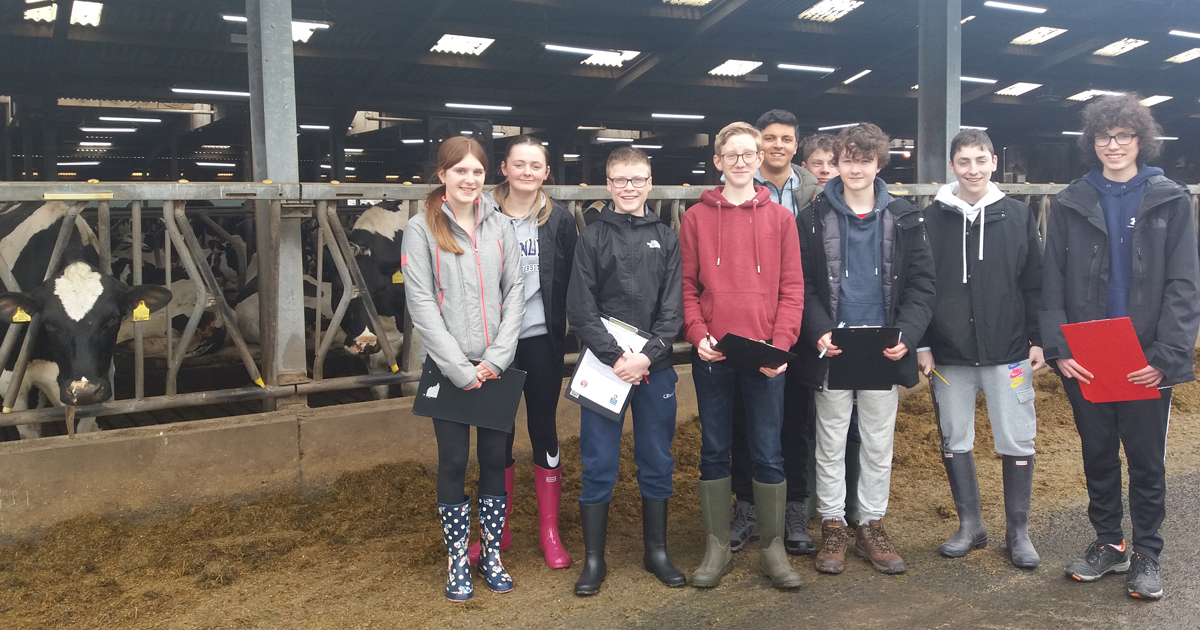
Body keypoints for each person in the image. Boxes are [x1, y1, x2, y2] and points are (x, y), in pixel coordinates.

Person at [1041, 93, 1199, 601]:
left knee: (1147, 460)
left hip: (1146, 357)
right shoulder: (1072, 200)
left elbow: (1184, 282)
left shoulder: (1169, 198)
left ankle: (1148, 553)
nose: (1113, 145)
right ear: (1092, 142)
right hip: (1087, 354)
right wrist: (1059, 347)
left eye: (1123, 136)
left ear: (1140, 140)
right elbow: (1051, 278)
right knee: (1098, 454)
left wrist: (1166, 357)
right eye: (1103, 136)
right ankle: (1110, 543)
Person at [795, 123, 934, 576]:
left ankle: (871, 524)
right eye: (848, 160)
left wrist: (906, 335)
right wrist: (818, 329)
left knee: (877, 441)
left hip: (883, 344)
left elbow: (922, 284)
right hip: (834, 344)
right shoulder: (812, 217)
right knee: (831, 439)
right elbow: (802, 283)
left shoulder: (906, 217)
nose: (855, 169)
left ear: (879, 163)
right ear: (836, 163)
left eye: (865, 160)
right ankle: (833, 523)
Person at [401, 136, 525, 602]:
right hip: (448, 367)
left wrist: (497, 358)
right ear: (442, 175)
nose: (469, 180)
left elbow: (516, 291)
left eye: (477, 172)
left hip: (495, 366)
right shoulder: (420, 228)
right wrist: (458, 367)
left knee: (494, 459)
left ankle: (491, 553)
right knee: (453, 460)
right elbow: (420, 302)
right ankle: (457, 557)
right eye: (460, 171)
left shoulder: (501, 225)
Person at [683, 121, 805, 590]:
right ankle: (716, 547)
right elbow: (687, 287)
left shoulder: (781, 219)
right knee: (714, 447)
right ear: (717, 161)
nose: (740, 162)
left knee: (768, 450)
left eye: (747, 154)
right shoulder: (696, 218)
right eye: (730, 155)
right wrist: (697, 334)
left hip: (764, 353)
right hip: (714, 352)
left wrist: (782, 344)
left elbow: (792, 289)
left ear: (759, 159)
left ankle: (772, 549)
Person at [916, 129, 1044, 569]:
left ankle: (1018, 531)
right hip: (949, 352)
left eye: (980, 160)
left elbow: (1034, 282)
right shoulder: (930, 220)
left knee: (1016, 436)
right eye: (964, 161)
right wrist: (923, 343)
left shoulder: (1018, 216)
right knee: (955, 436)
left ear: (993, 163)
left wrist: (1039, 339)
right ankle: (970, 525)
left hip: (1009, 350)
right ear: (951, 165)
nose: (973, 169)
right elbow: (920, 287)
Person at [567, 146, 685, 596]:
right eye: (620, 180)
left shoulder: (667, 238)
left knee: (657, 457)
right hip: (605, 368)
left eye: (637, 179)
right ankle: (594, 560)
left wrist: (647, 356)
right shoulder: (592, 238)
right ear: (608, 185)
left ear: (650, 183)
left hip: (655, 368)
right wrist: (615, 356)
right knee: (598, 461)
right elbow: (581, 308)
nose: (629, 187)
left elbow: (673, 310)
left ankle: (656, 552)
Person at [465, 136, 577, 570]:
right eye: (519, 164)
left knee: (544, 429)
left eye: (536, 166)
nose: (527, 172)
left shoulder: (559, 220)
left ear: (546, 172)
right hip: (496, 345)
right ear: (505, 169)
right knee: (499, 433)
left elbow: (570, 280)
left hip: (541, 340)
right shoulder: (481, 214)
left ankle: (550, 532)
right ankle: (498, 530)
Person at [727, 110, 820, 556]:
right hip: (754, 325)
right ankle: (747, 504)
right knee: (745, 419)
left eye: (786, 138)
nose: (777, 145)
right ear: (757, 145)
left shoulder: (816, 193)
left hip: (799, 318)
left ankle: (794, 506)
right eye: (769, 138)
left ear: (796, 146)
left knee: (796, 418)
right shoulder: (743, 188)